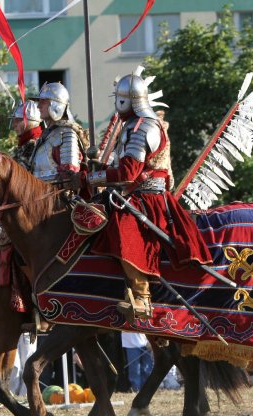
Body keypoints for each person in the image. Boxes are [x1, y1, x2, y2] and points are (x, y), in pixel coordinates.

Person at [85, 67, 212, 320]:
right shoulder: (133, 124)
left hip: (148, 198)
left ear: (126, 100)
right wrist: (102, 169)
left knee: (124, 226)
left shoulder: (143, 126)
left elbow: (130, 172)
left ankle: (142, 297)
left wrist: (92, 177)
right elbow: (124, 168)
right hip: (135, 193)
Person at [28, 82, 85, 184]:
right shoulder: (46, 136)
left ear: (56, 105)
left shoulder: (66, 134)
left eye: (43, 102)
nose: (38, 106)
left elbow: (69, 177)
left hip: (58, 198)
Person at [10, 100, 43, 171]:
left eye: (18, 120)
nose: (14, 125)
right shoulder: (24, 143)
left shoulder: (37, 143)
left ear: (30, 121)